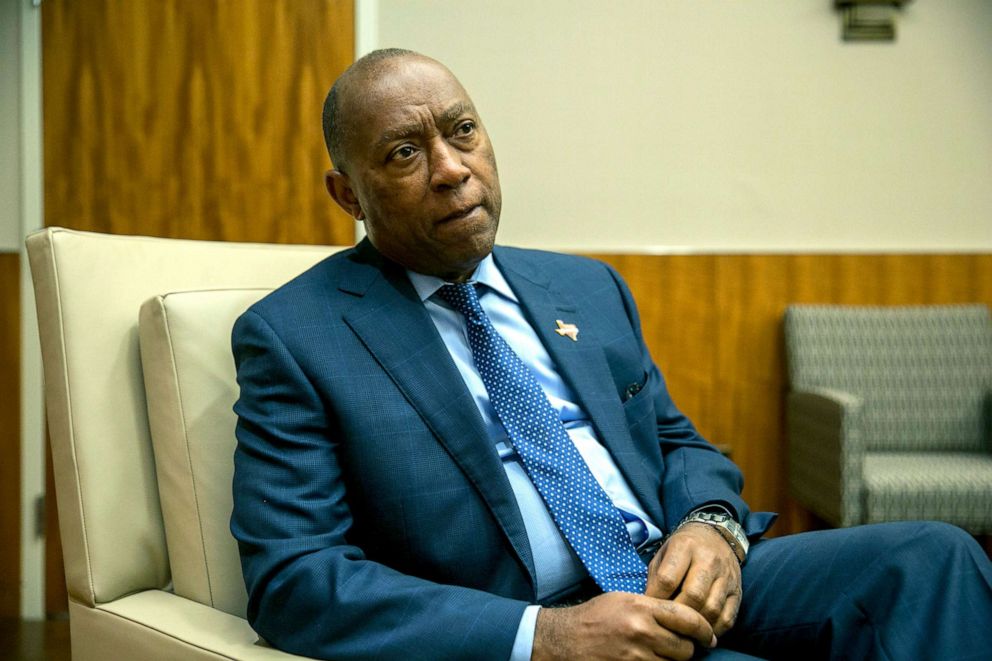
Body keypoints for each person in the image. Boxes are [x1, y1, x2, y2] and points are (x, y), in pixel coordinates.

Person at [230, 48, 992, 660]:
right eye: (404, 153)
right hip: (534, 615)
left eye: (462, 131)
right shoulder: (299, 335)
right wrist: (548, 638)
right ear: (348, 195)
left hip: (672, 566)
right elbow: (296, 577)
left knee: (931, 558)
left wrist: (710, 528)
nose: (452, 168)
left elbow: (672, 439)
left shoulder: (584, 287)